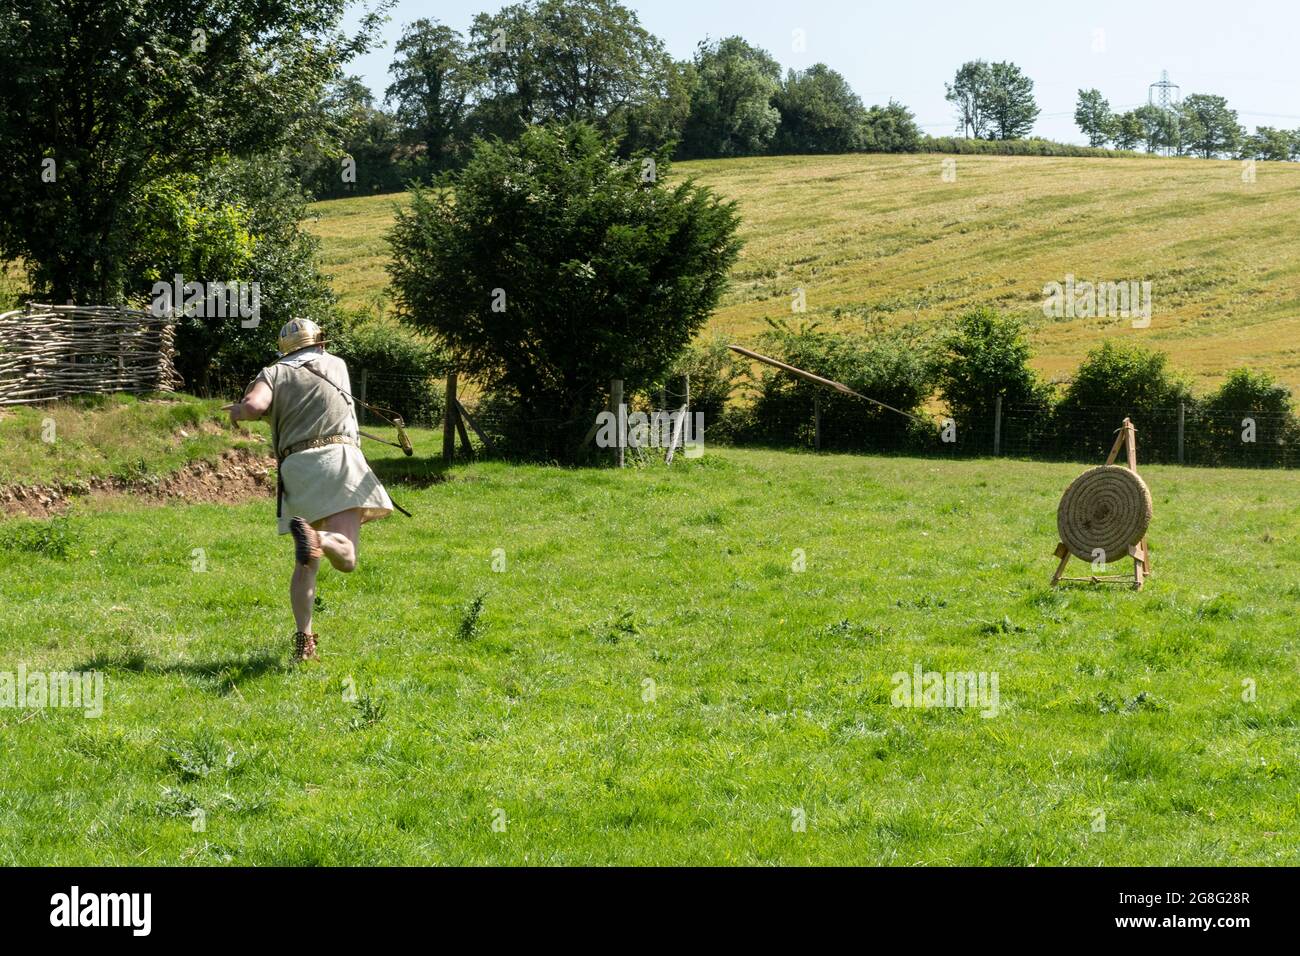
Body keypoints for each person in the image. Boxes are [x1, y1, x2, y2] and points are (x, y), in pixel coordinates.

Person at [225, 318, 393, 662]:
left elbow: (256, 407)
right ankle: (323, 539)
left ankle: (304, 642)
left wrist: (239, 412)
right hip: (338, 461)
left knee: (306, 564)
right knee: (345, 557)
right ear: (320, 343)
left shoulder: (272, 373)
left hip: (297, 468)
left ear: (284, 349)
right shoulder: (337, 364)